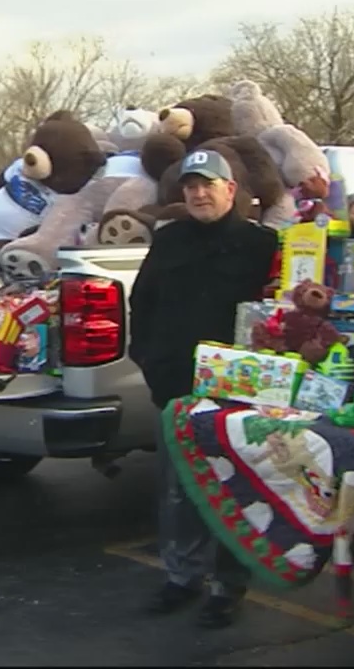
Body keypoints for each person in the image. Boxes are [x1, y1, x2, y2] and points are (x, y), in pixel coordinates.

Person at [128, 150, 279, 629]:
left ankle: (227, 587)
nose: (197, 193)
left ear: (231, 190)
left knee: (233, 487)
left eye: (207, 184)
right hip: (174, 383)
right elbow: (143, 301)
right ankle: (181, 577)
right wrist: (147, 358)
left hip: (237, 390)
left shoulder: (263, 244)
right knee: (178, 490)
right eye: (190, 186)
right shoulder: (169, 240)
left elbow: (283, 310)